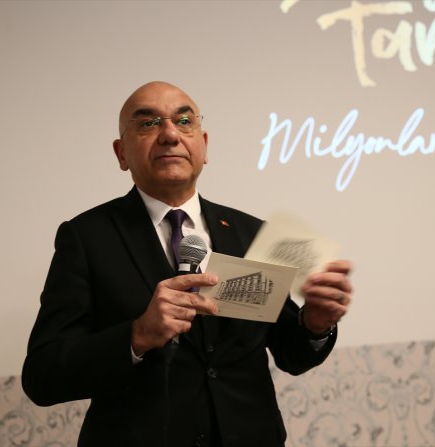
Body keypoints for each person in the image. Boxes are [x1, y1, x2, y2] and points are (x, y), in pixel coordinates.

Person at [22, 81, 353, 447]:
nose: (169, 135)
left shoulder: (251, 233)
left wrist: (314, 325)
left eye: (184, 121)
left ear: (204, 145)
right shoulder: (86, 238)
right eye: (148, 123)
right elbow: (42, 376)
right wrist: (136, 336)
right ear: (121, 153)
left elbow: (292, 354)